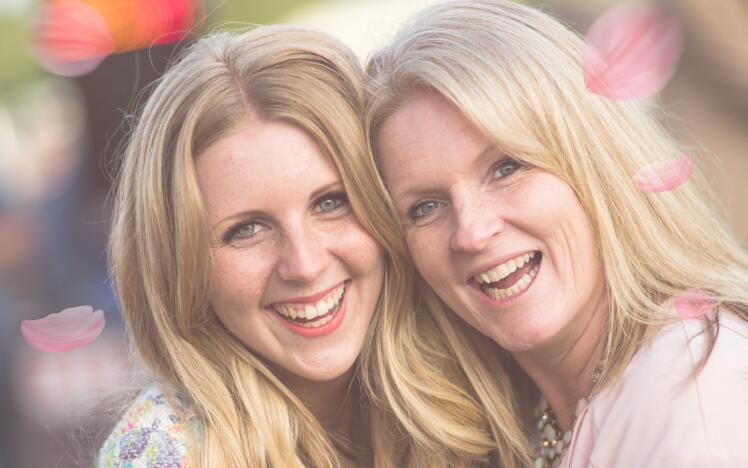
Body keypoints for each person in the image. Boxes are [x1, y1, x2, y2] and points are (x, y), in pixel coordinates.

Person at [98, 25, 506, 468]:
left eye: (331, 203)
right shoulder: (166, 455)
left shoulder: (483, 368)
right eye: (247, 230)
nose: (305, 264)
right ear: (177, 265)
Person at [364, 1, 748, 467]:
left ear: (591, 162)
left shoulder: (695, 392)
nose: (472, 232)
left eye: (506, 168)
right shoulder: (532, 407)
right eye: (425, 207)